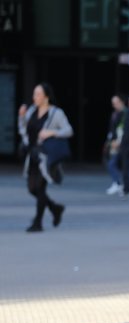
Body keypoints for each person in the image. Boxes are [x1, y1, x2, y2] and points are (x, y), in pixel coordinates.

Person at [17, 82, 72, 233]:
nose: (34, 97)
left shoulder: (56, 113)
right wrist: (21, 117)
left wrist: (51, 133)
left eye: (38, 94)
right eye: (34, 94)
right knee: (32, 189)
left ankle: (38, 222)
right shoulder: (31, 112)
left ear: (46, 97)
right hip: (32, 155)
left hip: (46, 156)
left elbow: (68, 130)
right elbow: (23, 131)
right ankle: (55, 208)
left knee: (40, 188)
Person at [104, 94, 127, 196]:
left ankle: (120, 184)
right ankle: (118, 183)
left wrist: (118, 141)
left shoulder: (126, 114)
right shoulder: (115, 114)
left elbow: (125, 130)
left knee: (115, 163)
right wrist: (109, 140)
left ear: (122, 102)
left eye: (116, 103)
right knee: (110, 162)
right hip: (113, 142)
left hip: (122, 142)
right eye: (113, 103)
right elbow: (112, 129)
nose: (114, 105)